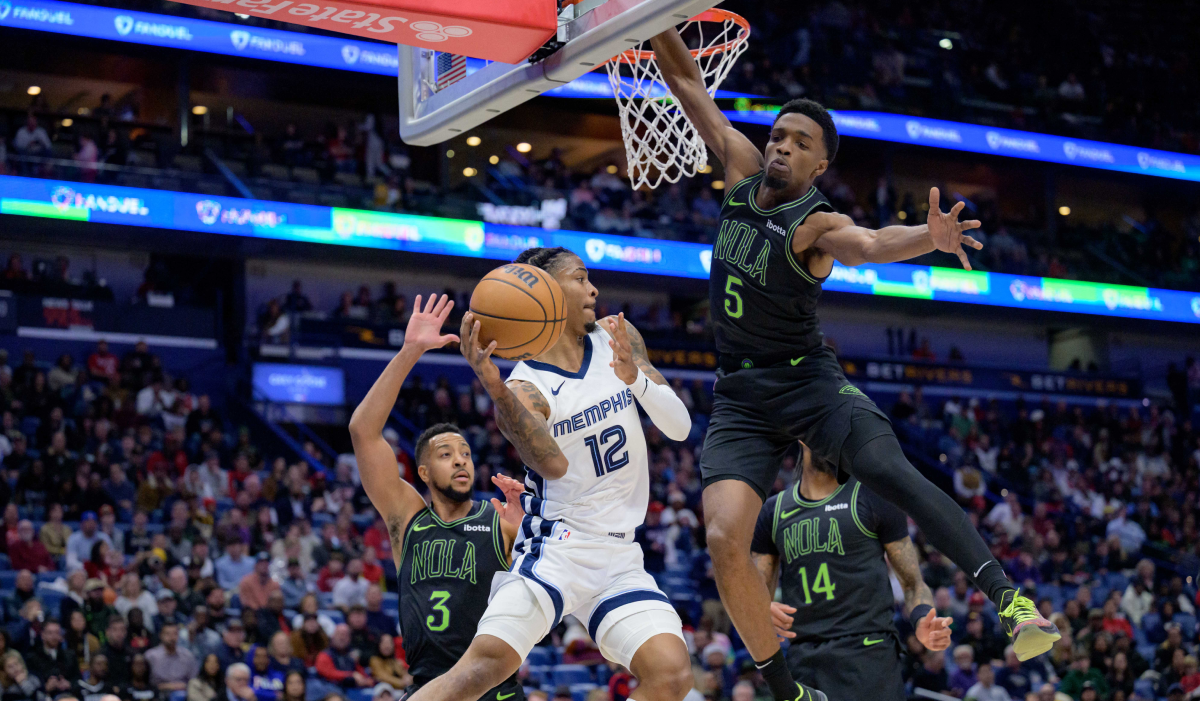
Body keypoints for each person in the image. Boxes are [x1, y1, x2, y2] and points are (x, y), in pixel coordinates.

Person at [648, 26, 1059, 701]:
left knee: (892, 472)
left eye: (800, 142)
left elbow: (869, 242)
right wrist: (651, 19)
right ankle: (789, 690)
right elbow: (689, 84)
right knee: (723, 536)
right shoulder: (741, 169)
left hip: (808, 380)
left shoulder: (817, 224)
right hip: (742, 395)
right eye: (779, 133)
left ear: (819, 168)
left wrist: (928, 235)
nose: (782, 143)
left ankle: (1010, 601)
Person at [404, 253, 694, 701]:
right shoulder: (524, 387)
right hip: (559, 546)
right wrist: (492, 383)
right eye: (581, 279)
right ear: (548, 294)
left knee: (671, 675)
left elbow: (680, 428)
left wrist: (634, 378)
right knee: (483, 670)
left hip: (618, 553)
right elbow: (553, 465)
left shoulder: (618, 337)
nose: (594, 289)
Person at [349, 294, 528, 700]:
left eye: (465, 453)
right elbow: (363, 431)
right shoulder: (406, 518)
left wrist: (523, 541)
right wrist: (411, 351)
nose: (461, 461)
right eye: (446, 455)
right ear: (424, 473)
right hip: (429, 688)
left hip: (494, 690)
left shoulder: (499, 517)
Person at [752, 443, 952, 701]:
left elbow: (913, 583)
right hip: (804, 658)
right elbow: (755, 594)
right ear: (803, 437)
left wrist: (922, 617)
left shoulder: (873, 497)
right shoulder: (773, 511)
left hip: (868, 654)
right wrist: (760, 609)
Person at [27, 619, 78, 695]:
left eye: (57, 633)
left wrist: (69, 684)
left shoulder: (70, 655)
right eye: (50, 633)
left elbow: (78, 680)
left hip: (69, 695)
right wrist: (45, 688)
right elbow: (31, 686)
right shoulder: (33, 658)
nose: (54, 636)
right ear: (43, 635)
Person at [146, 622, 198, 693]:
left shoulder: (187, 655)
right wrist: (167, 686)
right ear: (161, 635)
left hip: (184, 693)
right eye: (168, 634)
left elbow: (194, 681)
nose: (172, 637)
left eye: (175, 634)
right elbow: (146, 683)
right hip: (158, 693)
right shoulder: (151, 656)